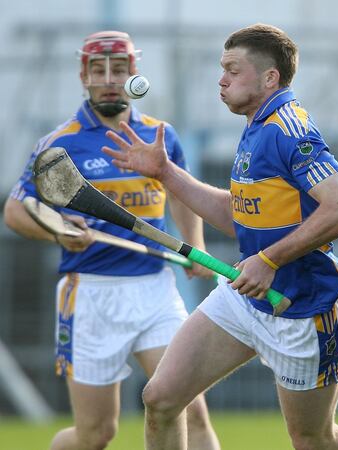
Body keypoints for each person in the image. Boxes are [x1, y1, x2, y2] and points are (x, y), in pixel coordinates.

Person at [101, 24, 338, 450]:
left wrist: (271, 260)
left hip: (302, 304)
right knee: (161, 398)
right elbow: (239, 215)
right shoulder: (256, 126)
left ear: (270, 78)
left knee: (313, 438)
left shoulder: (290, 129)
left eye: (233, 70)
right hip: (246, 297)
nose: (221, 80)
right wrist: (166, 174)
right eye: (221, 69)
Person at [3, 31, 219, 450]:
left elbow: (181, 194)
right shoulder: (60, 143)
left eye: (118, 70)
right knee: (96, 434)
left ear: (133, 75)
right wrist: (58, 231)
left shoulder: (160, 136)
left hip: (155, 289)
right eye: (97, 70)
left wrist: (195, 244)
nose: (108, 79)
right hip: (90, 295)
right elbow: (15, 211)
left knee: (188, 409)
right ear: (83, 76)